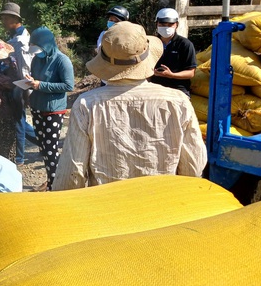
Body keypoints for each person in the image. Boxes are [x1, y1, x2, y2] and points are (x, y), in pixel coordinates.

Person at [53, 22, 207, 190]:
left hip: (108, 207)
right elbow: (194, 167)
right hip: (164, 205)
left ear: (104, 61)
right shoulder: (179, 102)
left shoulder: (86, 105)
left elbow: (72, 174)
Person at [24, 27, 75, 190]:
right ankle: (50, 180)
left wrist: (41, 85)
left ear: (47, 45)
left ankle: (56, 184)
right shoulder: (37, 59)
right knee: (43, 147)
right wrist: (30, 81)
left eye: (39, 49)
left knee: (51, 148)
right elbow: (36, 80)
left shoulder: (62, 60)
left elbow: (69, 85)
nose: (37, 53)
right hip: (37, 107)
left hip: (53, 110)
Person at [0, 2, 38, 164]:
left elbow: (24, 69)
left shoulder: (20, 42)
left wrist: (25, 91)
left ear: (15, 19)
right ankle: (45, 143)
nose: (3, 22)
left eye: (5, 18)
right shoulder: (15, 38)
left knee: (18, 122)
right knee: (20, 120)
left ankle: (19, 158)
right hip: (17, 85)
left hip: (19, 86)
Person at [149, 7, 197, 97]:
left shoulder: (185, 44)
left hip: (177, 88)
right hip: (154, 87)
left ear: (176, 25)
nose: (166, 27)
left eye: (170, 24)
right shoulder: (150, 42)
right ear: (157, 24)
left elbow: (190, 72)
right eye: (162, 24)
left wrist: (171, 75)